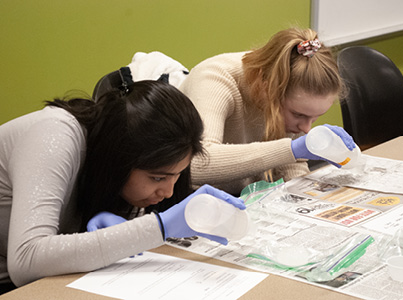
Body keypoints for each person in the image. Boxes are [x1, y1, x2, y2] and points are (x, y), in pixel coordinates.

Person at [0, 74, 245, 290]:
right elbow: (25, 262)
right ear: (118, 157)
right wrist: (160, 227)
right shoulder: (53, 136)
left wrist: (113, 231)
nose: (168, 192)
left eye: (177, 175)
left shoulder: (106, 162)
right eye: (157, 177)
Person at [179, 27, 355, 195]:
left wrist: (307, 194)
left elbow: (290, 166)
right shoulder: (214, 79)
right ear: (267, 87)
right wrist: (292, 149)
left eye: (315, 118)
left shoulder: (294, 87)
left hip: (247, 196)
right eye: (298, 115)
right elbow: (194, 163)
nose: (306, 129)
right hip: (195, 199)